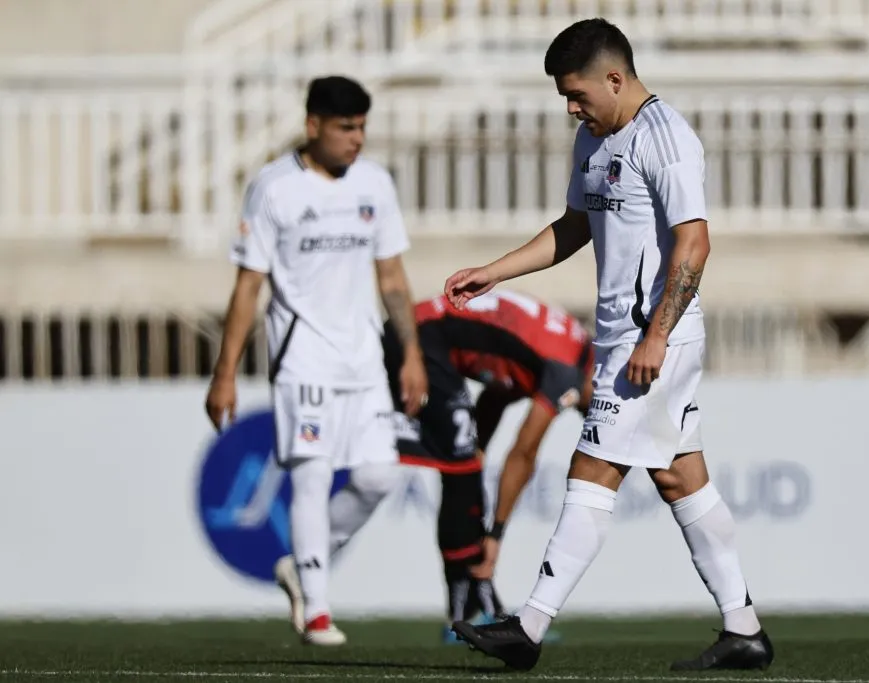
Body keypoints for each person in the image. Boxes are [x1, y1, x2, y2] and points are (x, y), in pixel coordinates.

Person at [443, 18, 774, 672]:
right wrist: (494, 271)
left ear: (615, 78)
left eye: (577, 94)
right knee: (683, 478)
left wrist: (655, 336)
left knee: (591, 469)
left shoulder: (666, 138)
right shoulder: (592, 141)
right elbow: (572, 227)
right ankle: (744, 627)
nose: (570, 107)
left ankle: (528, 626)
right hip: (625, 341)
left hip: (654, 344)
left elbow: (695, 241)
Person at [204, 75, 428, 647]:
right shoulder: (274, 188)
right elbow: (248, 286)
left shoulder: (374, 184)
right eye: (345, 128)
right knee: (312, 476)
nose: (357, 139)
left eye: (362, 128)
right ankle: (318, 609)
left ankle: (304, 565)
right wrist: (225, 373)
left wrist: (411, 357)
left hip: (363, 363)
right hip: (302, 361)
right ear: (313, 127)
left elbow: (393, 278)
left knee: (379, 477)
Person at [381, 289, 594, 641]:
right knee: (460, 469)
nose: (587, 413)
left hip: (422, 335)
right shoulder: (566, 371)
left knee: (465, 465)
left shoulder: (567, 347)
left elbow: (498, 390)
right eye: (591, 407)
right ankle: (464, 614)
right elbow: (523, 453)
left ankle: (476, 605)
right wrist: (496, 533)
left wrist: (477, 451)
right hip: (418, 339)